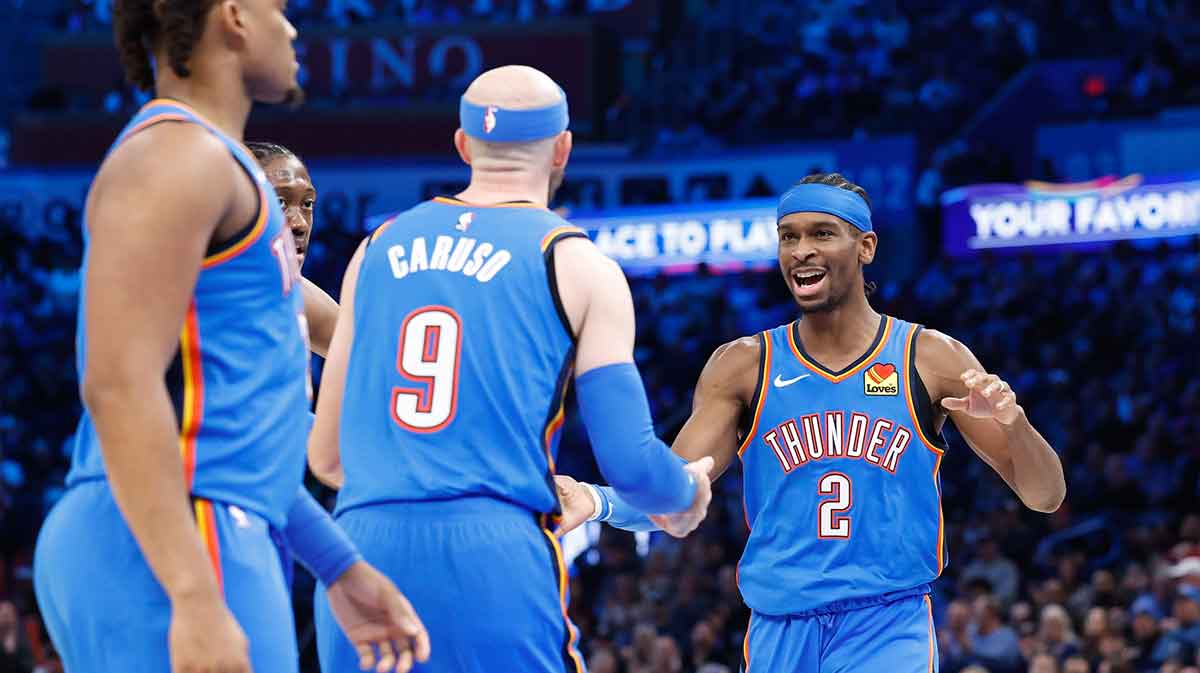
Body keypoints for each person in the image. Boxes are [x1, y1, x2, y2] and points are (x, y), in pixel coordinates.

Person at [32, 3, 426, 673]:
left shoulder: (213, 169)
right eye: (280, 8)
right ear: (235, 16)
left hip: (209, 521)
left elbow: (242, 441)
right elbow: (116, 385)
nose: (293, 29)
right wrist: (194, 594)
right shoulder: (174, 153)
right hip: (180, 537)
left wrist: (341, 567)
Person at [559, 173, 1066, 672]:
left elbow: (1045, 495)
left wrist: (1013, 421)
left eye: (822, 233)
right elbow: (674, 490)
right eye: (789, 236)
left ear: (865, 246)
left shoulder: (929, 357)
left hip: (887, 624)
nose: (800, 249)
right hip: (779, 628)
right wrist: (597, 499)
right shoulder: (743, 365)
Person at [308, 64, 713, 673]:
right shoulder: (578, 262)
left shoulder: (376, 247)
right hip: (489, 553)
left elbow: (329, 458)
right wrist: (683, 495)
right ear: (563, 149)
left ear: (464, 144)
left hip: (361, 550)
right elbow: (632, 467)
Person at [247, 141, 338, 355]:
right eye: (280, 202)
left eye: (307, 204)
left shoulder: (293, 295)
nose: (300, 224)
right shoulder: (189, 290)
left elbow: (376, 357)